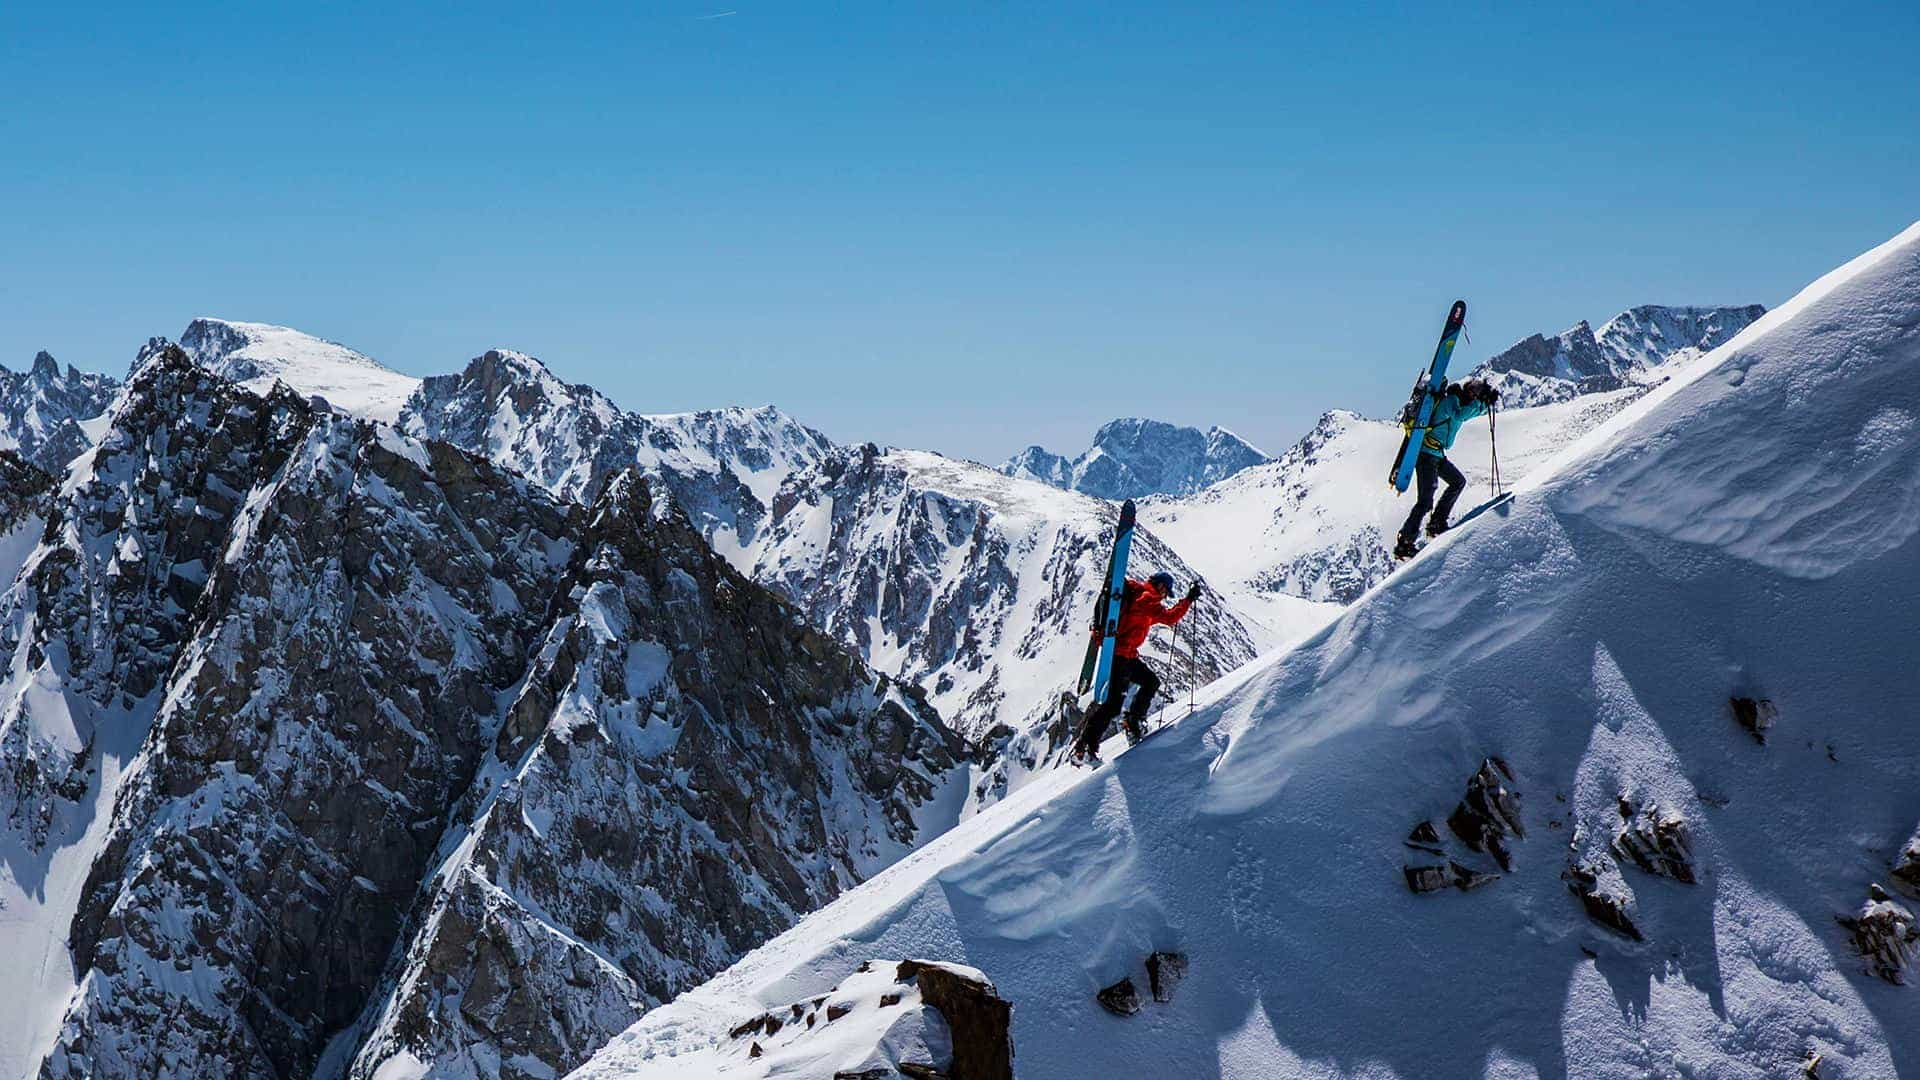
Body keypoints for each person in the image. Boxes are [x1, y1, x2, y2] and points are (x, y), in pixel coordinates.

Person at [1071, 571, 1201, 763]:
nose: (1165, 597)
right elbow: (1170, 617)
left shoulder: (1142, 598)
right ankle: (1085, 747)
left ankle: (1132, 721)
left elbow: (1164, 616)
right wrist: (1188, 600)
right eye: (1166, 593)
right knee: (1113, 704)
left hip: (1126, 655)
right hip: (1120, 657)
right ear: (1161, 587)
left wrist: (1181, 604)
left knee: (1150, 682)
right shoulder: (1147, 600)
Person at [1395, 378, 1499, 559]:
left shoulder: (1459, 402)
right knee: (1426, 500)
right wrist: (1480, 402)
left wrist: (1484, 404)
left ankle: (1437, 523)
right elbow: (1460, 415)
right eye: (1476, 394)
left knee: (1457, 482)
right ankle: (1405, 542)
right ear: (1470, 392)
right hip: (1427, 454)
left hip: (1436, 454)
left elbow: (1468, 413)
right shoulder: (1452, 400)